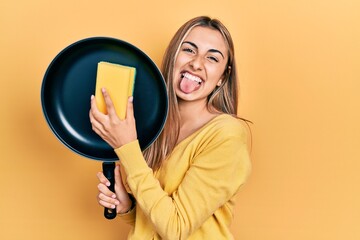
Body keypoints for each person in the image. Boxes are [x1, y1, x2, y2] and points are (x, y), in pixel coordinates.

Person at [89, 16, 251, 240]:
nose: (196, 63)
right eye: (189, 50)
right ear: (173, 57)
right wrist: (127, 207)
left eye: (212, 57)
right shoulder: (156, 126)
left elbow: (176, 229)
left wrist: (127, 147)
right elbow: (156, 220)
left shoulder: (226, 134)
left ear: (222, 77)